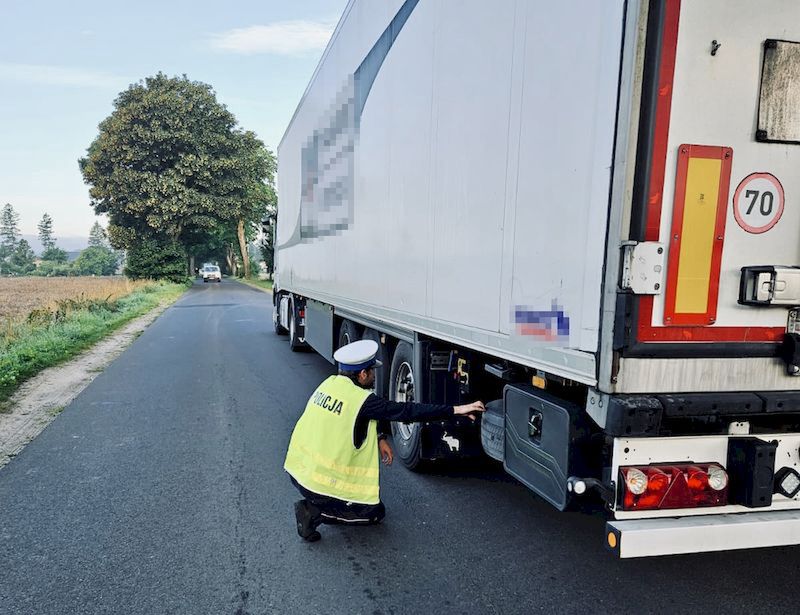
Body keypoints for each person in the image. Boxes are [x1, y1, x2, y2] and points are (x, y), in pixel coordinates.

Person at [284, 339, 485, 542]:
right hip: (321, 484)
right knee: (375, 514)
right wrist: (456, 410)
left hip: (299, 471)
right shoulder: (362, 400)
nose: (374, 376)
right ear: (362, 374)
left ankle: (319, 503)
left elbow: (354, 419)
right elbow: (407, 411)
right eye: (372, 372)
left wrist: (380, 437)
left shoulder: (330, 384)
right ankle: (312, 511)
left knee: (373, 506)